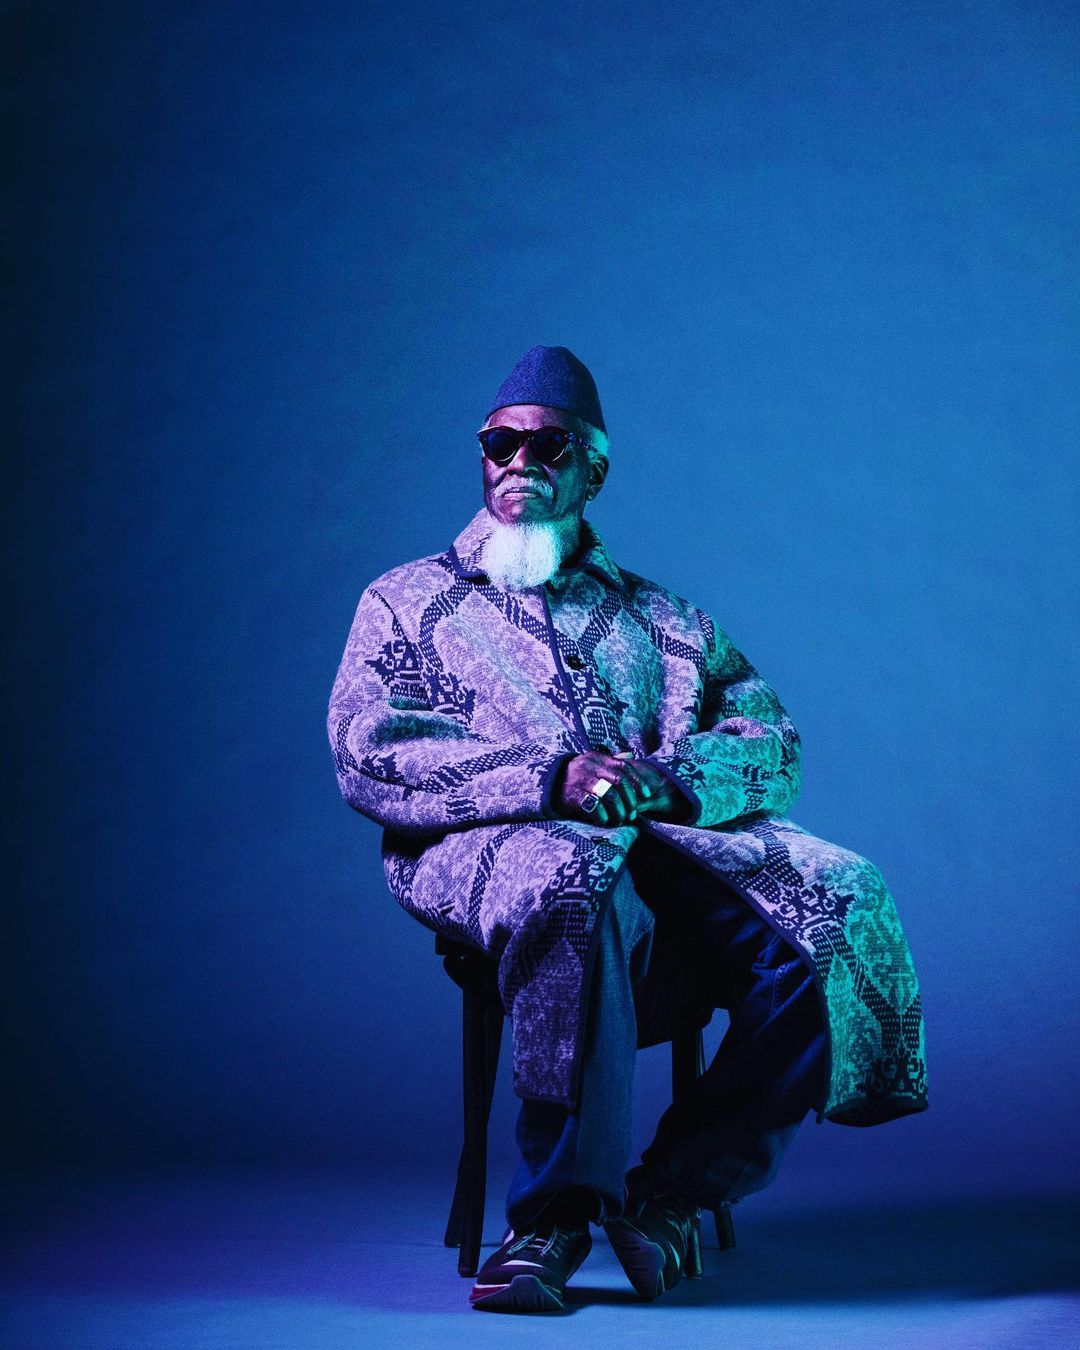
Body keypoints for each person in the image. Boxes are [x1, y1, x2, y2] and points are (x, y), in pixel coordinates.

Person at [327, 345, 927, 1314]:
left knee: (840, 905)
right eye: (499, 443)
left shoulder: (665, 621)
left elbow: (771, 738)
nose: (520, 463)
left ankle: (677, 1191)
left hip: (666, 846)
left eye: (549, 446)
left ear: (593, 471)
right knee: (576, 881)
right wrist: (551, 777)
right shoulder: (405, 603)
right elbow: (370, 749)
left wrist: (668, 780)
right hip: (501, 843)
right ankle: (553, 1219)